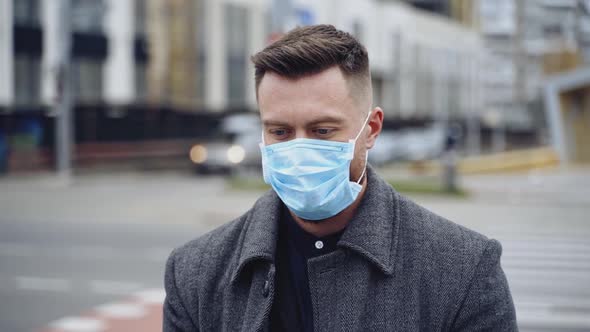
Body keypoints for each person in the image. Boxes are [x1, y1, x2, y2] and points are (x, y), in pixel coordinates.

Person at [163, 24, 517, 332]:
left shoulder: (463, 271)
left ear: (371, 129)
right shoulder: (195, 273)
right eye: (280, 132)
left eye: (322, 130)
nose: (300, 152)